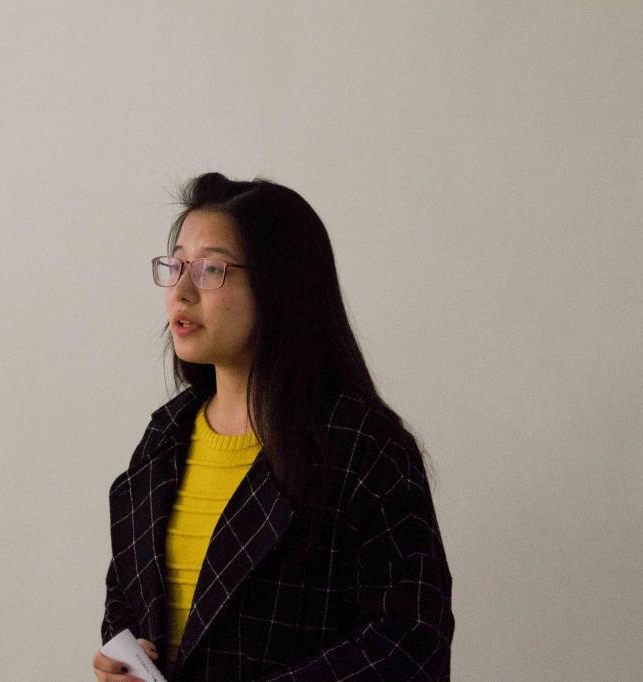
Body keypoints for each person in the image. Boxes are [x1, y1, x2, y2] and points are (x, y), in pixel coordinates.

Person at [93, 172, 455, 681]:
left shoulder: (363, 448)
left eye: (211, 269)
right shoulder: (163, 440)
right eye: (176, 265)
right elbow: (127, 600)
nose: (181, 292)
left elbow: (409, 645)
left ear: (281, 286)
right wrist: (121, 662)